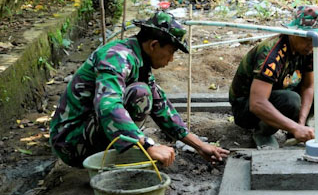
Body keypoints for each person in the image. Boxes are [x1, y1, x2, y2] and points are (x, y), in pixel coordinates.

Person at [50, 12, 229, 168]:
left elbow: (161, 108)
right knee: (140, 94)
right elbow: (108, 105)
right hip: (71, 143)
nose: (171, 59)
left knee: (146, 92)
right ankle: (119, 157)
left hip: (88, 132)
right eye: (171, 52)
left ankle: (124, 150)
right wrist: (147, 146)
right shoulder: (117, 57)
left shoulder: (139, 61)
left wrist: (199, 146)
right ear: (154, 45)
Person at [229, 5, 318, 148]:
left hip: (278, 91)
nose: (311, 45)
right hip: (246, 108)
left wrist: (301, 123)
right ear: (293, 33)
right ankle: (263, 132)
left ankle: (298, 127)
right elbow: (257, 103)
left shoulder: (310, 48)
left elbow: (308, 86)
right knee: (290, 99)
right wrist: (296, 128)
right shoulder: (271, 55)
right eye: (306, 38)